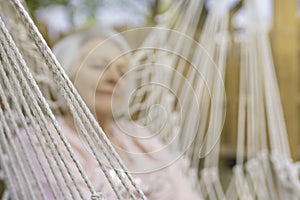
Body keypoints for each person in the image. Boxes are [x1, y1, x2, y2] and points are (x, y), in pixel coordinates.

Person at [11, 25, 202, 199]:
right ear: (64, 75)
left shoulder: (141, 138)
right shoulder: (41, 140)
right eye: (100, 66)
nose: (114, 77)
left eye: (122, 71)